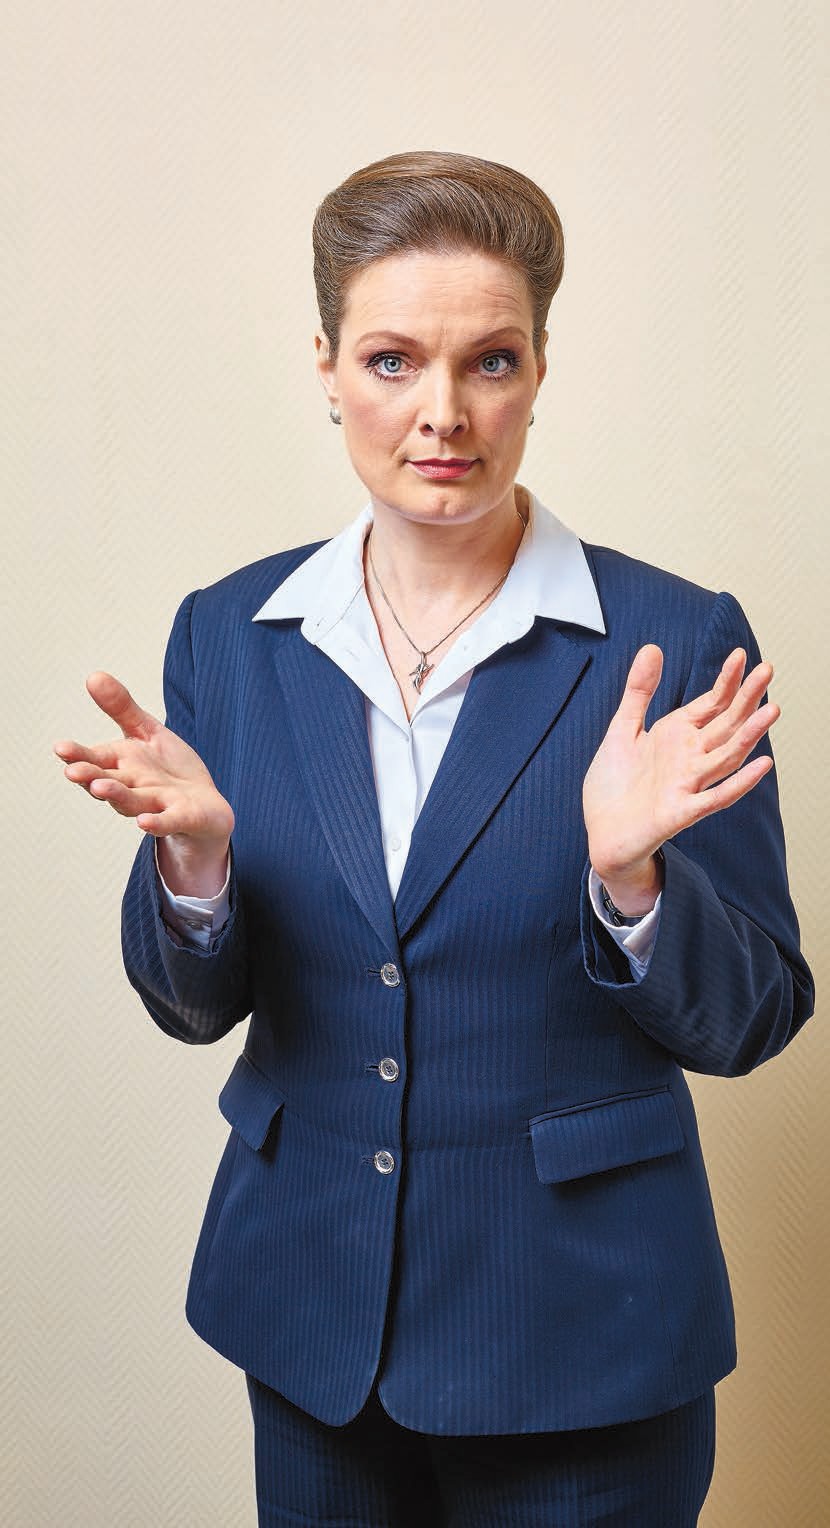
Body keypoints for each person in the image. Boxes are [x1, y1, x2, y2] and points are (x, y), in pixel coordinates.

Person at [55, 150, 815, 1527]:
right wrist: (196, 868)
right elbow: (190, 1008)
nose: (443, 413)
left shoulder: (675, 637)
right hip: (310, 1321)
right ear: (327, 367)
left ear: (538, 372)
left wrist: (630, 882)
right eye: (394, 360)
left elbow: (754, 1017)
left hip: (582, 1340)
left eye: (491, 362)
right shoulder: (228, 636)